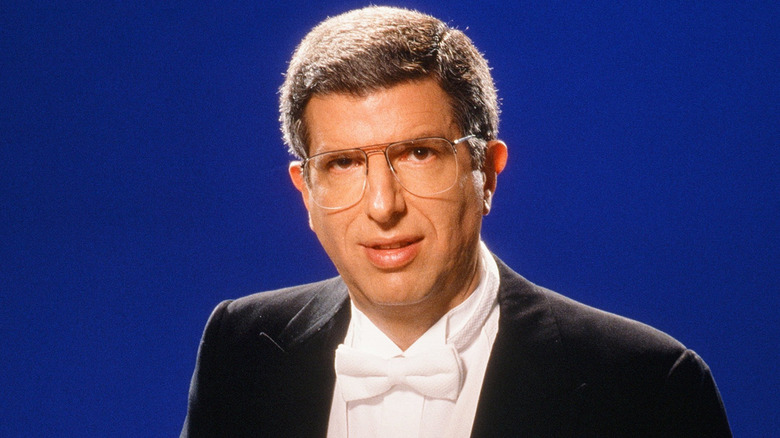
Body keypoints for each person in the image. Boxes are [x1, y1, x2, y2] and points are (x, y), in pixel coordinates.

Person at [181, 6, 730, 437]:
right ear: (306, 192)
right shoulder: (240, 347)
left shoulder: (649, 385)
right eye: (344, 163)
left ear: (486, 172)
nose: (382, 205)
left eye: (419, 153)